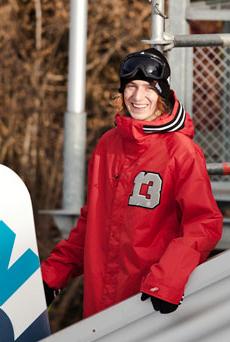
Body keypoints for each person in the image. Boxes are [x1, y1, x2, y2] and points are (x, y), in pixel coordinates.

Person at [42, 48, 223, 318]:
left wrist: (169, 277)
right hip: (99, 309)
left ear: (162, 93)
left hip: (149, 304)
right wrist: (52, 275)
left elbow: (204, 223)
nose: (138, 97)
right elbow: (92, 224)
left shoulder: (182, 151)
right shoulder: (107, 145)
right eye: (131, 87)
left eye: (148, 88)